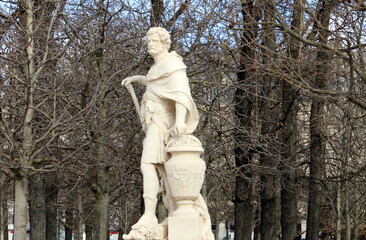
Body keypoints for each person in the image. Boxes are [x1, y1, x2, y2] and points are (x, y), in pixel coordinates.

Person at [122, 27, 199, 230]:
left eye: (154, 41)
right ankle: (170, 213)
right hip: (154, 123)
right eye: (148, 41)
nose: (150, 44)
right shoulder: (157, 67)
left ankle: (149, 214)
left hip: (162, 124)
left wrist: (180, 121)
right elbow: (155, 83)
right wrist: (137, 79)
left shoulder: (172, 64)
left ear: (165, 43)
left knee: (147, 163)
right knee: (163, 172)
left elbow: (181, 94)